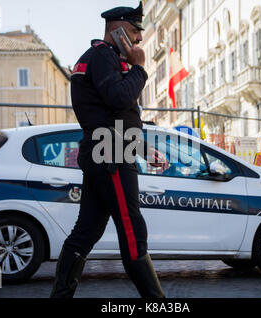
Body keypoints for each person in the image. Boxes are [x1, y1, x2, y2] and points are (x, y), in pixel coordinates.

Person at [50, 2, 165, 298]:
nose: (139, 39)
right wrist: (139, 67)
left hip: (109, 150)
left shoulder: (105, 58)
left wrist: (141, 147)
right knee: (132, 231)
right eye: (133, 31)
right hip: (111, 155)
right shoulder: (103, 56)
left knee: (87, 230)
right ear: (117, 30)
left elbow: (116, 115)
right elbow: (118, 99)